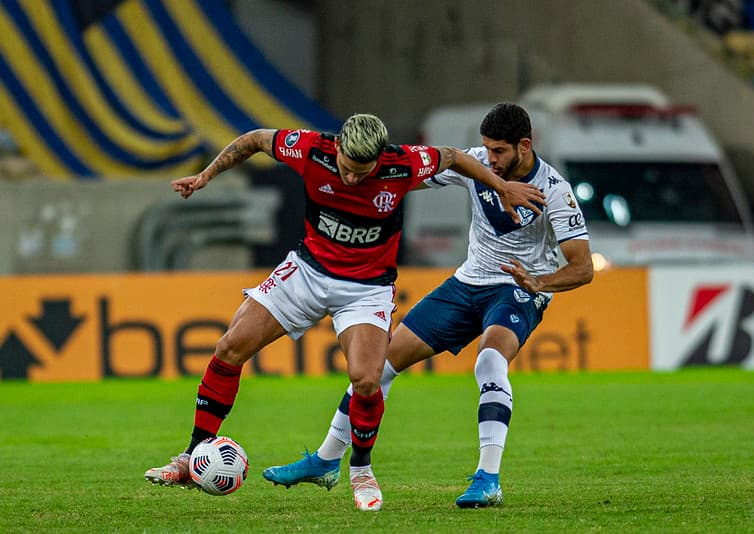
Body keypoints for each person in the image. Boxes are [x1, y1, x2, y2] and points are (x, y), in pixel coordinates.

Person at [143, 113, 545, 512]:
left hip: (365, 290)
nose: (353, 179)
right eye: (348, 170)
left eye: (363, 172)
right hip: (306, 272)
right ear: (336, 148)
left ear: (379, 158)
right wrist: (205, 177)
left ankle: (360, 469)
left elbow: (454, 156)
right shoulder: (310, 150)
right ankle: (190, 455)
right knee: (230, 346)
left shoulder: (401, 163)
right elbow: (253, 139)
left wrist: (501, 186)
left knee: (367, 380)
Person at [262, 103, 594, 508]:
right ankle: (326, 459)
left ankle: (489, 478)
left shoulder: (554, 191)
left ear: (525, 146)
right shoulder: (476, 166)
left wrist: (539, 281)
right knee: (380, 366)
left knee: (489, 362)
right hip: (467, 282)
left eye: (500, 152)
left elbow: (583, 268)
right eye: (487, 149)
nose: (490, 158)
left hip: (516, 289)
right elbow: (405, 172)